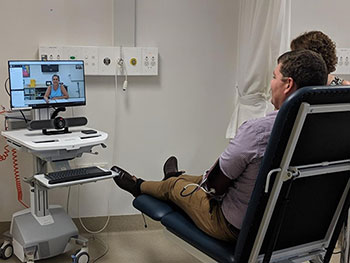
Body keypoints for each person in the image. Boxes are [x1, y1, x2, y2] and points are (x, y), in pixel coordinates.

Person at [112, 49, 328, 242]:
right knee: (198, 178)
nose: (271, 83)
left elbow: (215, 186)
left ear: (288, 84)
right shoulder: (329, 130)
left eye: (274, 77)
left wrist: (208, 183)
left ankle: (138, 185)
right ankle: (174, 177)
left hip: (233, 226)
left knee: (176, 187)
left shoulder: (258, 131)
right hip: (291, 229)